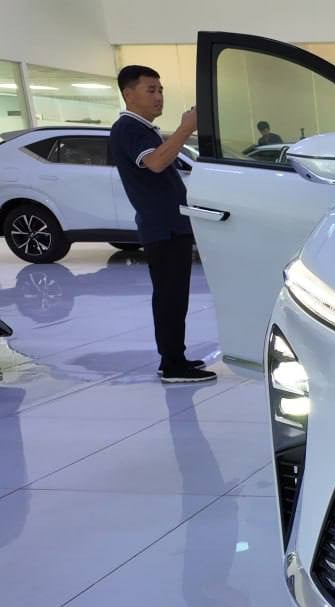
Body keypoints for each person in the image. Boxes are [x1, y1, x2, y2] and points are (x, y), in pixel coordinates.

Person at [110, 65, 216, 383]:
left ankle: (175, 357)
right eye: (151, 90)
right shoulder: (128, 128)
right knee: (170, 297)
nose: (158, 97)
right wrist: (186, 128)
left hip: (171, 226)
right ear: (129, 94)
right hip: (162, 228)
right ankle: (172, 365)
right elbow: (156, 162)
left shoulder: (143, 129)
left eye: (160, 90)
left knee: (175, 296)